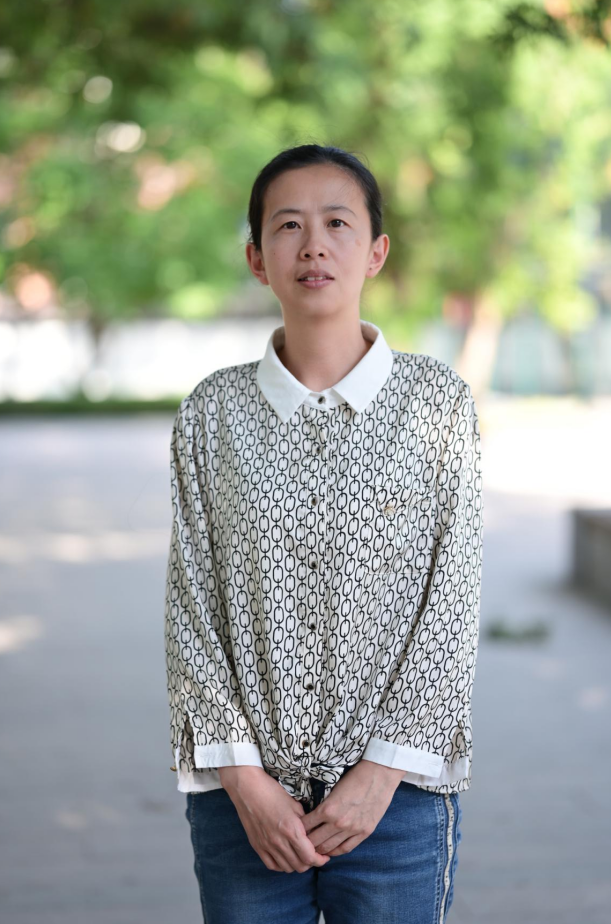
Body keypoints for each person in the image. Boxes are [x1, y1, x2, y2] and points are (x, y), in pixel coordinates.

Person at [164, 143, 483, 923]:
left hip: (396, 799)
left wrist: (379, 774)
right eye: (287, 226)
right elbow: (191, 606)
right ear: (255, 258)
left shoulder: (435, 403)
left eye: (337, 223)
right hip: (246, 805)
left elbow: (452, 600)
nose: (313, 246)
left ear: (375, 252)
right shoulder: (212, 413)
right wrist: (243, 780)